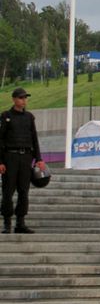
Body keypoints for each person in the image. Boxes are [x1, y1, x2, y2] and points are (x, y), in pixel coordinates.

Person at [0, 87, 46, 234]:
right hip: (10, 157)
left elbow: (34, 139)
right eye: (21, 98)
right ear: (14, 99)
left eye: (25, 98)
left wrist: (39, 159)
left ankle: (20, 223)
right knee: (8, 191)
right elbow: (0, 140)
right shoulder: (6, 116)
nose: (24, 100)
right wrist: (0, 161)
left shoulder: (29, 117)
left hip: (26, 157)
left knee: (23, 191)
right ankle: (7, 223)